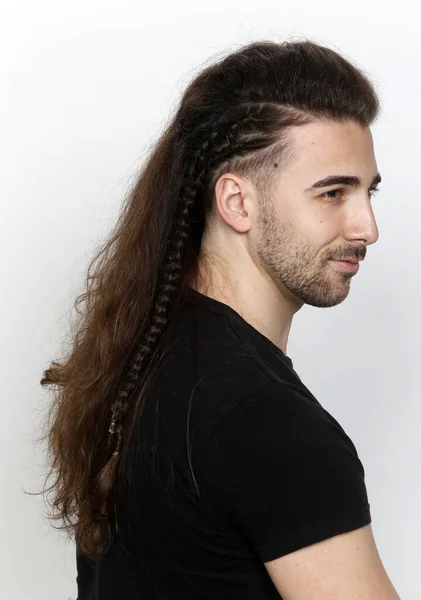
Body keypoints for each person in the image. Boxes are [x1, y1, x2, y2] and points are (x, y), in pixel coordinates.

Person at [40, 39, 401, 599]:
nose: (367, 227)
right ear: (237, 203)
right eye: (333, 192)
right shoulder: (268, 421)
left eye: (367, 192)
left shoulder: (145, 351)